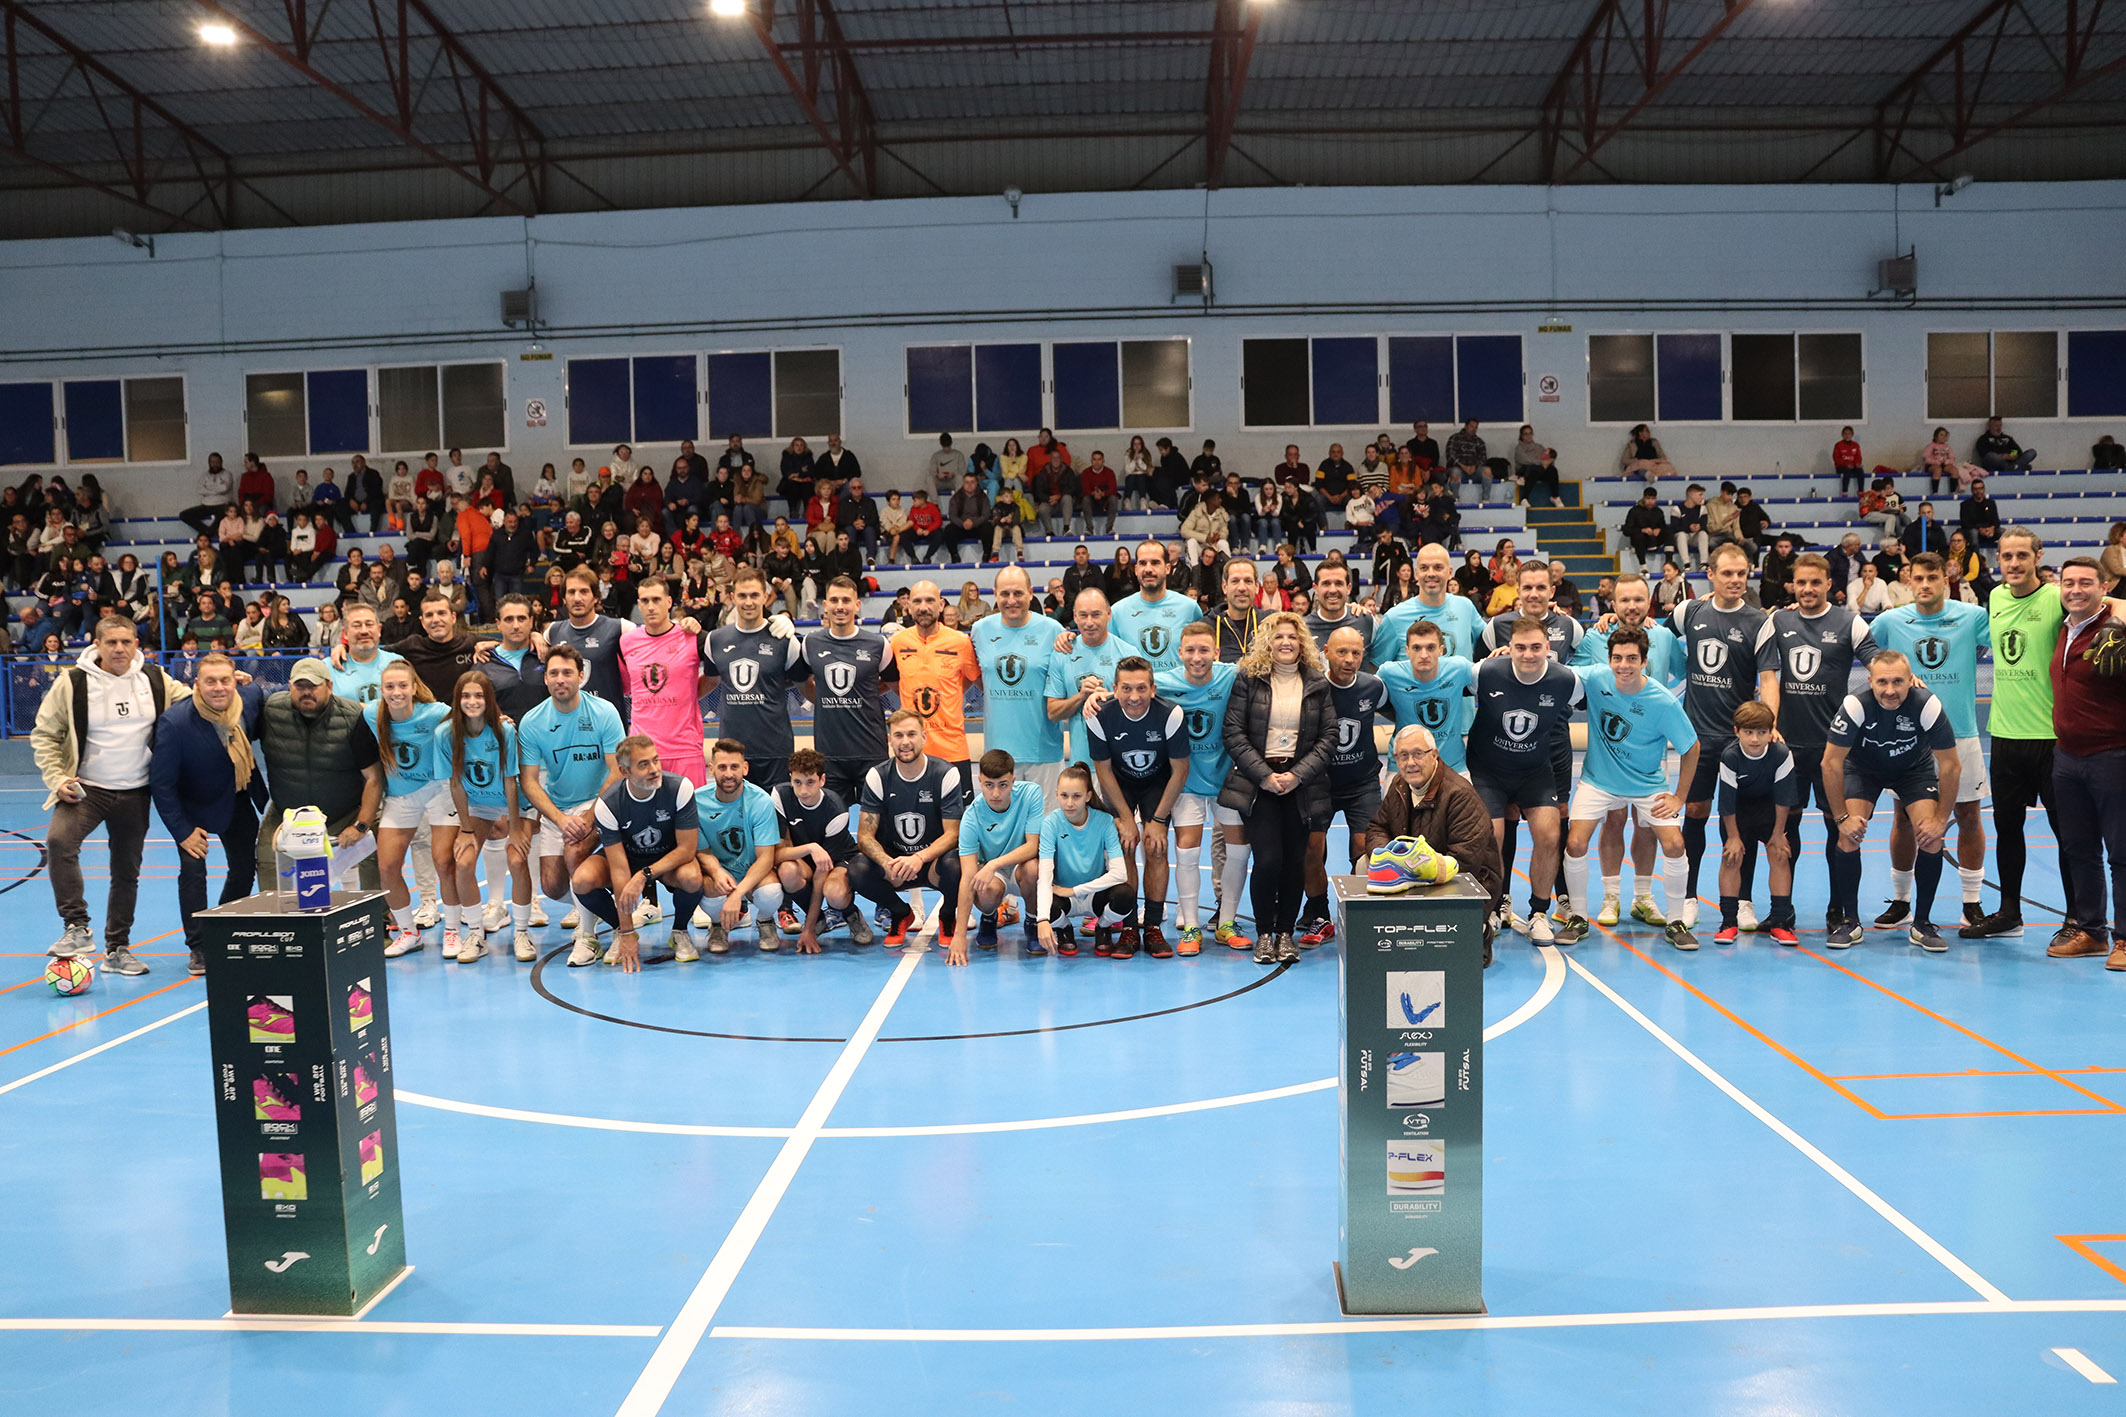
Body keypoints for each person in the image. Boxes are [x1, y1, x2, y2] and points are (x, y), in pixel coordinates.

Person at [35, 615, 191, 974]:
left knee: (126, 872)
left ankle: (117, 949)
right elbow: (44, 734)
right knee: (59, 841)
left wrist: (234, 686)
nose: (119, 649)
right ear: (97, 644)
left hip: (136, 792)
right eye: (111, 643)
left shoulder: (154, 679)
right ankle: (76, 926)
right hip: (86, 789)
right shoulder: (72, 682)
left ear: (137, 643)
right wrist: (58, 779)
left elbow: (193, 701)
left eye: (127, 642)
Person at [1555, 627, 1701, 952]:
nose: (1623, 665)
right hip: (1598, 782)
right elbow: (1553, 671)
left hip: (1648, 784)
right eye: (1617, 658)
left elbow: (1691, 748)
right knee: (1575, 843)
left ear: (1644, 661)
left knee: (1675, 844)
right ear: (1609, 660)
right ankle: (1578, 917)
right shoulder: (1596, 678)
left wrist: (1679, 797)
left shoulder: (1662, 701)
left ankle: (1676, 922)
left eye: (1632, 658)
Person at [1868, 552, 1991, 931]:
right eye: (1917, 578)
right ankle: (1902, 901)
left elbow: (2000, 645)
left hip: (1962, 734)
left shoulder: (1973, 617)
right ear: (1909, 581)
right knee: (1904, 819)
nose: (1924, 585)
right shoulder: (1890, 620)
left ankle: (1972, 904)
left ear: (1945, 579)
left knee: (1969, 817)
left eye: (1931, 578)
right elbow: (1854, 646)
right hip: (1907, 737)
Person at [1765, 553, 1877, 935]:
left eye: (1816, 582)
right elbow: (1764, 671)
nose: (1808, 589)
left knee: (1840, 831)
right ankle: (1782, 911)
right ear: (1792, 586)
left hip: (1836, 750)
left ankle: (1841, 910)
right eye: (1802, 583)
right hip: (1789, 749)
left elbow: (1877, 663)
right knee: (1784, 830)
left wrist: (1905, 677)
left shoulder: (1850, 622)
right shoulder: (1778, 620)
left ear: (1830, 584)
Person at [1669, 543, 1778, 929]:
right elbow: (1654, 637)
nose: (1735, 580)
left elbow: (1767, 679)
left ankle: (1742, 900)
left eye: (1742, 573)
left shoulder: (1758, 621)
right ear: (1710, 574)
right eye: (1727, 573)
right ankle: (1687, 897)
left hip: (1738, 742)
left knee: (1741, 822)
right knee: (1695, 813)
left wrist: (1770, 724)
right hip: (1696, 739)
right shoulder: (1689, 612)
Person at [1821, 653, 1961, 952]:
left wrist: (1940, 820)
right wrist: (1842, 819)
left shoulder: (1926, 705)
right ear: (1870, 681)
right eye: (1882, 681)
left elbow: (1951, 766)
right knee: (1849, 838)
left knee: (1930, 838)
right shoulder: (1855, 705)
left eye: (1898, 681)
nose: (1890, 690)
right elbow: (1830, 763)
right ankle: (1850, 922)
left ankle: (1922, 923)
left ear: (1910, 680)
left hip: (1913, 770)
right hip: (1863, 770)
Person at [1219, 612, 1336, 965]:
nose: (1286, 642)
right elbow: (1233, 733)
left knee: (1294, 863)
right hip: (1260, 784)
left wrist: (1297, 775)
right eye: (1278, 636)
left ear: (1302, 642)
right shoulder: (1248, 679)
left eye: (1293, 636)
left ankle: (1286, 933)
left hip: (1301, 785)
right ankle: (1264, 934)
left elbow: (1328, 737)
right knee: (1268, 860)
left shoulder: (1318, 682)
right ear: (1267, 642)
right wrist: (1265, 776)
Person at [1467, 616, 1585, 943]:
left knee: (1549, 835)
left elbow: (1607, 689)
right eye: (1520, 647)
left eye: (1536, 647)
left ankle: (1539, 912)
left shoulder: (1568, 681)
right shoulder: (1485, 672)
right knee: (1492, 835)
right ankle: (1490, 909)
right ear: (1508, 649)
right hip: (1488, 770)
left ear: (1549, 648)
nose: (1528, 654)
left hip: (1535, 771)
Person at [149, 651, 265, 976]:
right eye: (210, 681)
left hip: (237, 797)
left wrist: (247, 682)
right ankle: (198, 946)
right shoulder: (175, 723)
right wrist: (183, 831)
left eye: (225, 680)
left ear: (235, 681)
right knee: (193, 874)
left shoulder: (248, 699)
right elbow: (162, 784)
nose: (218, 688)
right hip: (192, 807)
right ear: (196, 684)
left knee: (243, 871)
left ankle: (223, 928)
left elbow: (258, 690)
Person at [516, 646, 626, 966]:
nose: (560, 679)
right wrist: (561, 819)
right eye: (553, 673)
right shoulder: (533, 722)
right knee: (551, 886)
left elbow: (616, 770)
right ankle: (613, 909)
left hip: (600, 802)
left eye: (567, 673)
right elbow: (530, 782)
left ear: (581, 676)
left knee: (575, 852)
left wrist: (590, 816)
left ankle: (589, 935)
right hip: (558, 809)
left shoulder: (603, 712)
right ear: (546, 679)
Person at [1366, 724, 1506, 963]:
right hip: (1415, 872)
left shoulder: (1460, 794)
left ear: (1434, 755)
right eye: (1403, 755)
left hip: (1468, 879)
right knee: (1364, 864)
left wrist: (1408, 866)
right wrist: (1389, 855)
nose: (1410, 762)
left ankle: (1479, 930)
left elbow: (1466, 861)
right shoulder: (1399, 785)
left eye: (1418, 754)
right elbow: (1377, 827)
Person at [2045, 558, 2126, 965]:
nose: (2075, 589)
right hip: (2067, 758)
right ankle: (2092, 931)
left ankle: (2125, 939)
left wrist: (2119, 616)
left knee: (2122, 852)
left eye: (2086, 583)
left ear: (2105, 587)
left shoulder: (2118, 629)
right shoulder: (2065, 627)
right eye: (2068, 582)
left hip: (2113, 756)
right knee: (2079, 849)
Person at [1083, 656, 1191, 958]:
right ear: (1114, 689)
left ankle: (1153, 926)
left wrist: (1157, 819)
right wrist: (1126, 818)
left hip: (1158, 783)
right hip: (1120, 784)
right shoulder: (1098, 715)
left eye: (1141, 688)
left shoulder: (1171, 715)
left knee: (1156, 846)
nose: (1134, 697)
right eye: (1127, 689)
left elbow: (1180, 769)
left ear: (1153, 689)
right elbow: (1103, 771)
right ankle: (1129, 925)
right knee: (1126, 843)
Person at [573, 735, 707, 971]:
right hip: (627, 860)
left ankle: (679, 931)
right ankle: (619, 931)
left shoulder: (680, 788)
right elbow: (618, 868)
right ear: (624, 772)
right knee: (582, 880)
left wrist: (644, 874)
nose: (654, 769)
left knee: (692, 877)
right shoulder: (608, 804)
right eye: (643, 764)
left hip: (668, 859)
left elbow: (687, 849)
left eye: (655, 760)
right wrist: (627, 932)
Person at [252, 654, 383, 893]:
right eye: (299, 686)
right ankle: (273, 922)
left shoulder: (353, 718)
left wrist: (361, 826)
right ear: (290, 687)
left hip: (345, 811)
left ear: (329, 686)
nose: (306, 692)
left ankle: (379, 919)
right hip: (287, 812)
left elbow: (374, 778)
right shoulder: (270, 710)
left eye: (313, 686)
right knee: (266, 858)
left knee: (376, 850)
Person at [1154, 620, 1248, 954]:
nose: (1197, 657)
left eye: (1204, 650)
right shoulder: (1162, 682)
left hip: (1227, 778)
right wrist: (1097, 696)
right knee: (1187, 849)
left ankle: (1226, 922)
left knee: (1239, 848)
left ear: (1217, 653)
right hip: (1187, 782)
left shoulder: (1231, 675)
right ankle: (1191, 927)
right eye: (1190, 650)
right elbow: (1125, 687)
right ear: (1179, 652)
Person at [435, 670, 530, 963]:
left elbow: (510, 782)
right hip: (478, 805)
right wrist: (465, 828)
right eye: (466, 695)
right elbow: (454, 782)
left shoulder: (503, 731)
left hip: (515, 801)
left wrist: (514, 827)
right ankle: (476, 935)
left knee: (516, 857)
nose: (472, 701)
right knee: (463, 862)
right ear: (457, 699)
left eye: (478, 695)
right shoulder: (445, 734)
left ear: (488, 699)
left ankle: (522, 933)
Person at [368, 661, 460, 958]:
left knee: (444, 862)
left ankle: (454, 931)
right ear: (381, 690)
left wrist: (501, 719)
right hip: (400, 796)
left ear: (414, 688)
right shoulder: (372, 714)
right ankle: (409, 933)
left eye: (402, 686)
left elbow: (471, 716)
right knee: (387, 866)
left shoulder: (434, 712)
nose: (396, 692)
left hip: (438, 790)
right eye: (390, 687)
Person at [854, 710, 965, 946]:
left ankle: (947, 915)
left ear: (924, 736)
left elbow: (954, 834)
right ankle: (900, 912)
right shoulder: (878, 776)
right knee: (856, 869)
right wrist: (886, 862)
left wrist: (919, 858)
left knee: (958, 862)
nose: (905, 742)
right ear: (889, 740)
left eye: (912, 734)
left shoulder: (946, 773)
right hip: (894, 865)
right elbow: (864, 835)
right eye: (898, 735)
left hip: (933, 862)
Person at [700, 569, 807, 791]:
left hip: (775, 750)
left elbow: (806, 684)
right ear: (732, 596)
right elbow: (709, 681)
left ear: (765, 595)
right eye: (742, 596)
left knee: (777, 821)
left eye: (754, 595)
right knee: (733, 821)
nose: (748, 602)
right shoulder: (715, 640)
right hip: (732, 752)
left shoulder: (784, 640)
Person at [970, 566, 1066, 808]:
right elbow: (981, 679)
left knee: (1047, 837)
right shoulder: (980, 631)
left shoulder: (1053, 630)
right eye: (1004, 594)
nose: (1011, 601)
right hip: (997, 755)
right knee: (1003, 838)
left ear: (1031, 593)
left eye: (1018, 593)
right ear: (994, 594)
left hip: (1043, 753)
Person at [944, 749, 1045, 963]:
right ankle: (988, 918)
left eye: (1003, 785)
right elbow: (968, 877)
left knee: (1034, 869)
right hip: (995, 877)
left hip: (1020, 866)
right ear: (980, 780)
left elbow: (1032, 846)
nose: (996, 793)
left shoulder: (1030, 794)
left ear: (1013, 780)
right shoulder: (971, 817)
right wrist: (959, 935)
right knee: (983, 887)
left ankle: (1033, 922)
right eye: (989, 785)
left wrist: (993, 864)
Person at [1713, 702, 1800, 947]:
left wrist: (1778, 834)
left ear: (1770, 731)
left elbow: (1784, 799)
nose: (1754, 739)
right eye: (1748, 732)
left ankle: (1780, 924)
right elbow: (1727, 801)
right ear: (1736, 731)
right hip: (1738, 811)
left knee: (1780, 854)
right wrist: (1733, 836)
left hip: (1769, 810)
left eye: (1761, 732)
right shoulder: (1730, 756)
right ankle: (1728, 922)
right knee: (1732, 857)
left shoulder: (1781, 753)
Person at [688, 737, 785, 953]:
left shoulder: (760, 801)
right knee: (708, 889)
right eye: (722, 767)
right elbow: (701, 852)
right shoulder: (697, 802)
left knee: (771, 893)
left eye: (734, 767)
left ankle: (765, 920)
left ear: (745, 768)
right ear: (711, 769)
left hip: (752, 871)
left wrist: (737, 894)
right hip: (721, 872)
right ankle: (717, 925)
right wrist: (716, 872)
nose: (729, 774)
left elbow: (766, 858)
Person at [768, 749, 871, 954]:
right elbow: (777, 853)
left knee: (834, 894)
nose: (803, 790)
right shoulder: (780, 796)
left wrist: (807, 930)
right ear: (790, 779)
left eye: (810, 782)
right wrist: (810, 847)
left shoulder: (836, 810)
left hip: (837, 860)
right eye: (797, 782)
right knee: (787, 872)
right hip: (805, 856)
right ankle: (820, 920)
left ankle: (850, 914)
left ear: (822, 780)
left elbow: (821, 874)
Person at [802, 576, 891, 806]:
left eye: (846, 600)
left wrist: (862, 694)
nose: (840, 606)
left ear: (857, 605)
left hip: (871, 751)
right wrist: (824, 698)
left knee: (878, 828)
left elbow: (892, 684)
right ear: (825, 605)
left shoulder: (878, 644)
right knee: (833, 828)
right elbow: (801, 683)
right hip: (829, 754)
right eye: (834, 600)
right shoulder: (810, 643)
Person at [887, 580, 981, 789]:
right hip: (910, 751)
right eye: (917, 601)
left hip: (953, 750)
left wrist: (951, 691)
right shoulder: (897, 642)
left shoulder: (960, 642)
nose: (923, 607)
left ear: (941, 605)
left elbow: (973, 678)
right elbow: (890, 683)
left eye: (930, 600)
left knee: (957, 820)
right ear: (908, 607)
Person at [1033, 764, 1129, 958]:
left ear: (1088, 796)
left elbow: (1120, 873)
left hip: (1095, 895)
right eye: (1064, 796)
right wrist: (1042, 919)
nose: (1069, 803)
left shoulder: (1105, 821)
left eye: (1076, 796)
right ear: (1056, 794)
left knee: (1125, 895)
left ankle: (1103, 927)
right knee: (1042, 903)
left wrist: (1075, 890)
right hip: (1063, 897)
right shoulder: (1050, 824)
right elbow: (1044, 875)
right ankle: (1065, 929)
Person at [1372, 543, 1484, 664]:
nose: (1431, 573)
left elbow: (1492, 641)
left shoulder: (1465, 607)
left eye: (1438, 567)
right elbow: (1375, 666)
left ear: (1450, 572)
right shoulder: (1394, 617)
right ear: (1416, 573)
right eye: (1424, 568)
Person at [1108, 540, 1202, 676]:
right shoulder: (1117, 612)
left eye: (1155, 563)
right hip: (1135, 695)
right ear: (1135, 570)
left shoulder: (1189, 608)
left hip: (1178, 695)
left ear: (1167, 568)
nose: (1148, 569)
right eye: (1142, 563)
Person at [1961, 477, 2001, 560]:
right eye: (1975, 489)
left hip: (1989, 530)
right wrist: (1980, 529)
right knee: (1973, 533)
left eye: (1980, 488)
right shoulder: (1965, 505)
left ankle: (2002, 558)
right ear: (1972, 490)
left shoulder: (1991, 503)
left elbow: (1996, 520)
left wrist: (1992, 528)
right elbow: (1965, 523)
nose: (1978, 491)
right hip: (1975, 530)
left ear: (1984, 489)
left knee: (2003, 532)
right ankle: (1977, 561)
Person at [1832, 427, 1866, 497]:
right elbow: (1836, 458)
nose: (1847, 436)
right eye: (1845, 434)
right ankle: (1845, 492)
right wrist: (1846, 464)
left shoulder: (1856, 445)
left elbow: (1858, 456)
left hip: (1853, 466)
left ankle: (1860, 491)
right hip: (1841, 467)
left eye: (1849, 434)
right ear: (1842, 435)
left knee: (1860, 470)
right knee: (1847, 471)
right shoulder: (1838, 445)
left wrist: (1857, 464)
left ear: (1852, 434)